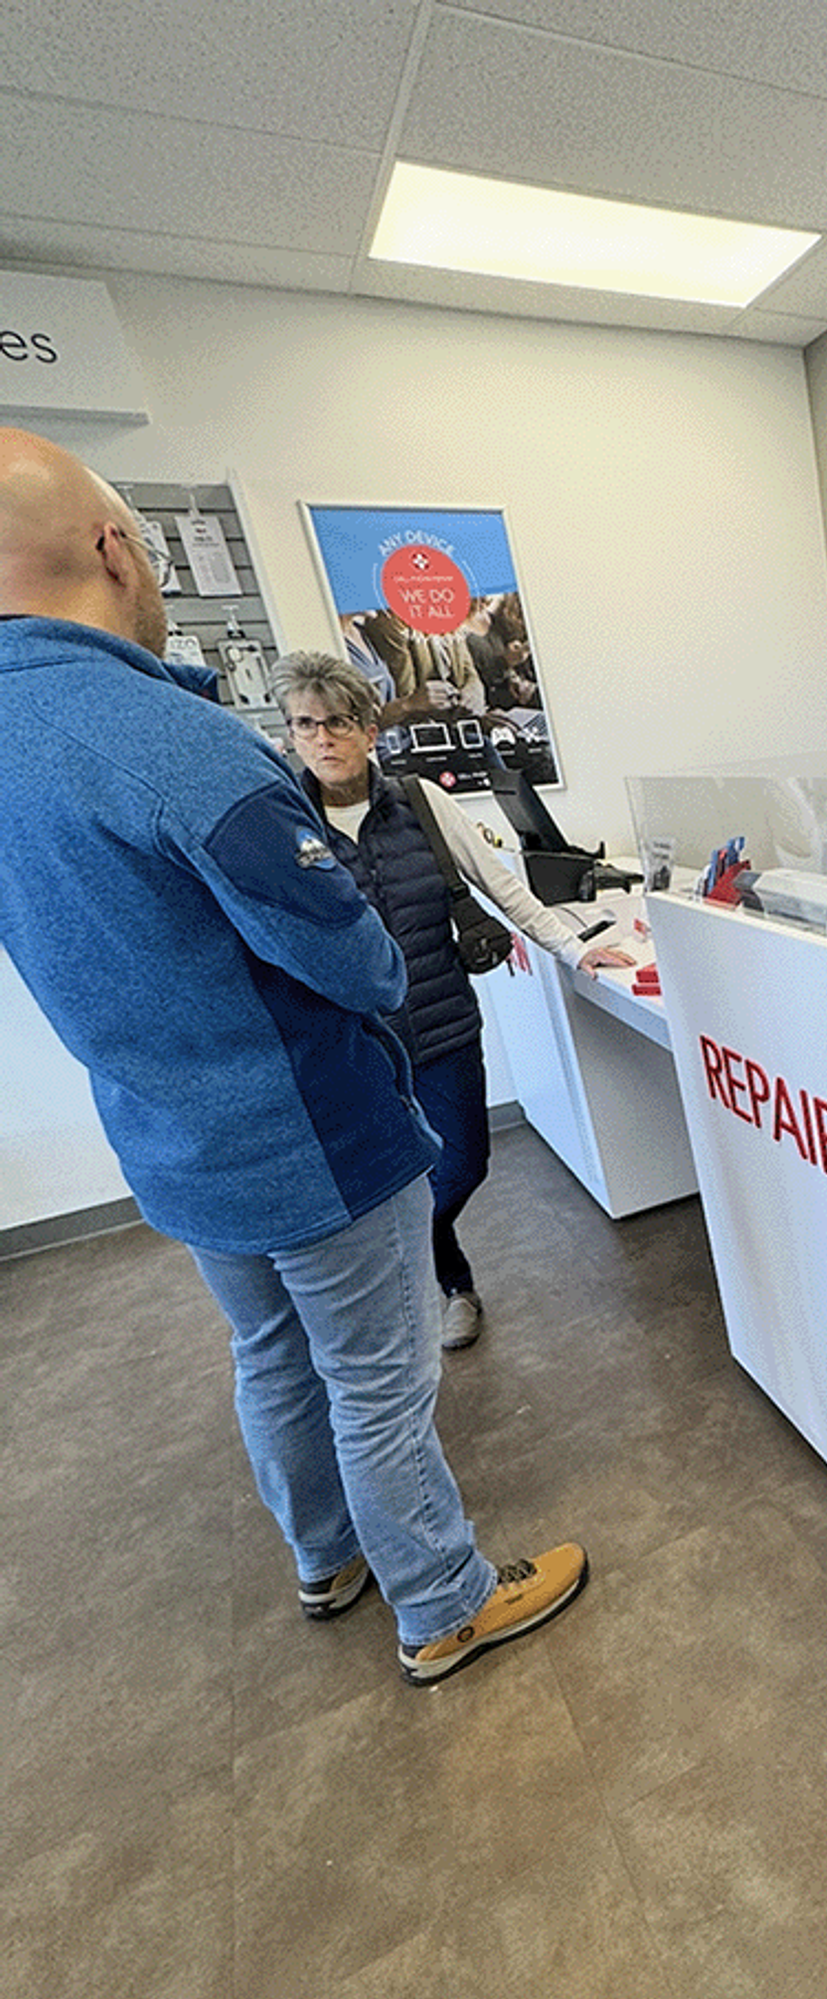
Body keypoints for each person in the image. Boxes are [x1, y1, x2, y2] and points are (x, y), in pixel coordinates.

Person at [0, 428, 587, 1686]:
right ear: (113, 547)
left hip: (173, 1142)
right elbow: (363, 963)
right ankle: (444, 1600)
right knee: (379, 1375)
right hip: (311, 1138)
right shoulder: (177, 742)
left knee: (269, 1353)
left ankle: (325, 1557)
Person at [271, 650, 633, 1350]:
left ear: (370, 729)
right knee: (387, 1175)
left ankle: (407, 1260)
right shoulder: (284, 820)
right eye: (305, 724)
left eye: (339, 721)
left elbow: (506, 889)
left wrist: (576, 946)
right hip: (351, 1042)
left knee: (462, 1162)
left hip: (442, 1028)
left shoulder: (422, 804)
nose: (323, 738)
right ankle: (451, 1285)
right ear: (290, 734)